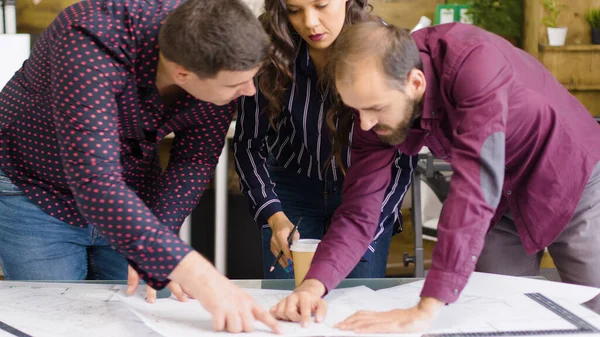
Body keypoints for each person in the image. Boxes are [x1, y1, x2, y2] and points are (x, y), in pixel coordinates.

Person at [270, 21, 600, 331]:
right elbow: (359, 211)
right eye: (358, 110)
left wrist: (423, 311)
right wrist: (314, 286)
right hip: (500, 201)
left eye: (375, 108)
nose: (366, 124)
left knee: (594, 306)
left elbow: (474, 188)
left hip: (570, 175)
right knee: (492, 311)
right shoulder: (374, 107)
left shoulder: (474, 63)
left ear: (415, 82)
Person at [0, 0, 280, 333]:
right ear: (182, 74)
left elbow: (195, 157)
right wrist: (203, 278)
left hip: (130, 190)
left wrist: (157, 236)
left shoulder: (220, 55)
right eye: (236, 85)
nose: (248, 92)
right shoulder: (90, 38)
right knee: (55, 322)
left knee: (132, 320)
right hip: (34, 187)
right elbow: (96, 183)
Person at [233, 0, 416, 280]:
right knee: (287, 302)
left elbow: (402, 159)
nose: (310, 23)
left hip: (364, 192)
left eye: (321, 5)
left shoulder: (384, 47)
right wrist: (273, 216)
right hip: (291, 191)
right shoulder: (268, 51)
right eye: (294, 10)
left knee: (355, 303)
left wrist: (368, 229)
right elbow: (248, 145)